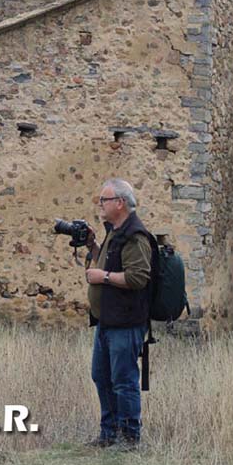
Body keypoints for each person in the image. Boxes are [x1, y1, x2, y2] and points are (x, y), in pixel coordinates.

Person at [85, 178, 152, 447]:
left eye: (105, 200)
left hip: (125, 321)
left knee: (124, 381)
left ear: (120, 203)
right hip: (106, 321)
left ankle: (129, 437)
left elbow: (138, 277)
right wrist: (92, 246)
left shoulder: (135, 235)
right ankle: (108, 433)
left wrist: (104, 277)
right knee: (101, 376)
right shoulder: (115, 231)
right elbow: (109, 261)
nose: (100, 204)